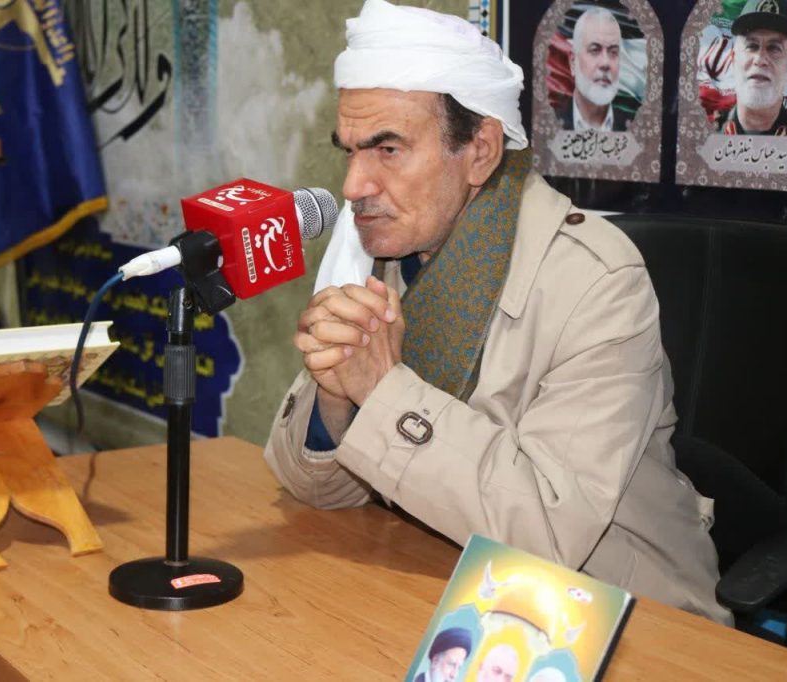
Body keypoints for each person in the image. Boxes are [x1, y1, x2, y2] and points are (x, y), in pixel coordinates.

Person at [263, 0, 731, 625]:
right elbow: (312, 487)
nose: (353, 186)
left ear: (481, 150)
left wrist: (380, 389)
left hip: (624, 618)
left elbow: (548, 532)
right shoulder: (380, 254)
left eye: (388, 149)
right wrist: (336, 400)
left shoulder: (597, 283)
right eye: (350, 152)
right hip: (450, 588)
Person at [716, 0, 787, 136]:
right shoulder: (705, 136)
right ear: (733, 60)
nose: (760, 60)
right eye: (751, 46)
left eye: (774, 48)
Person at [557, 8, 632, 132]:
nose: (605, 63)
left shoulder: (635, 130)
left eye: (613, 52)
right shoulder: (548, 126)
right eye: (595, 50)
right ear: (573, 62)